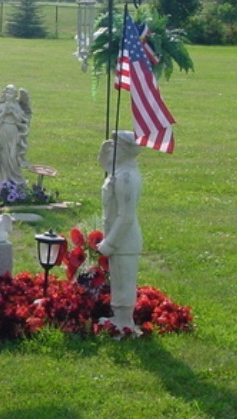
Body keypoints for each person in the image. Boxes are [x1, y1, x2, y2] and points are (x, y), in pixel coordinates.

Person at [96, 131, 143, 333]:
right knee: (117, 279)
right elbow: (105, 164)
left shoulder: (126, 177)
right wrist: (104, 153)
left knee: (124, 281)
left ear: (126, 150)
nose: (111, 149)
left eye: (115, 147)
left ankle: (124, 323)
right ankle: (118, 318)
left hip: (124, 240)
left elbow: (126, 216)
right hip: (116, 237)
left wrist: (110, 243)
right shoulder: (119, 171)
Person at [0, 85, 31, 186]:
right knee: (3, 154)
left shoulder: (17, 106)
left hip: (13, 131)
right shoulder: (1, 106)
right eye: (7, 93)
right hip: (2, 131)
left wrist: (13, 113)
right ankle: (2, 178)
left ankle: (16, 178)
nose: (8, 95)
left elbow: (21, 119)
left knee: (13, 155)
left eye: (11, 93)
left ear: (15, 96)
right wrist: (4, 113)